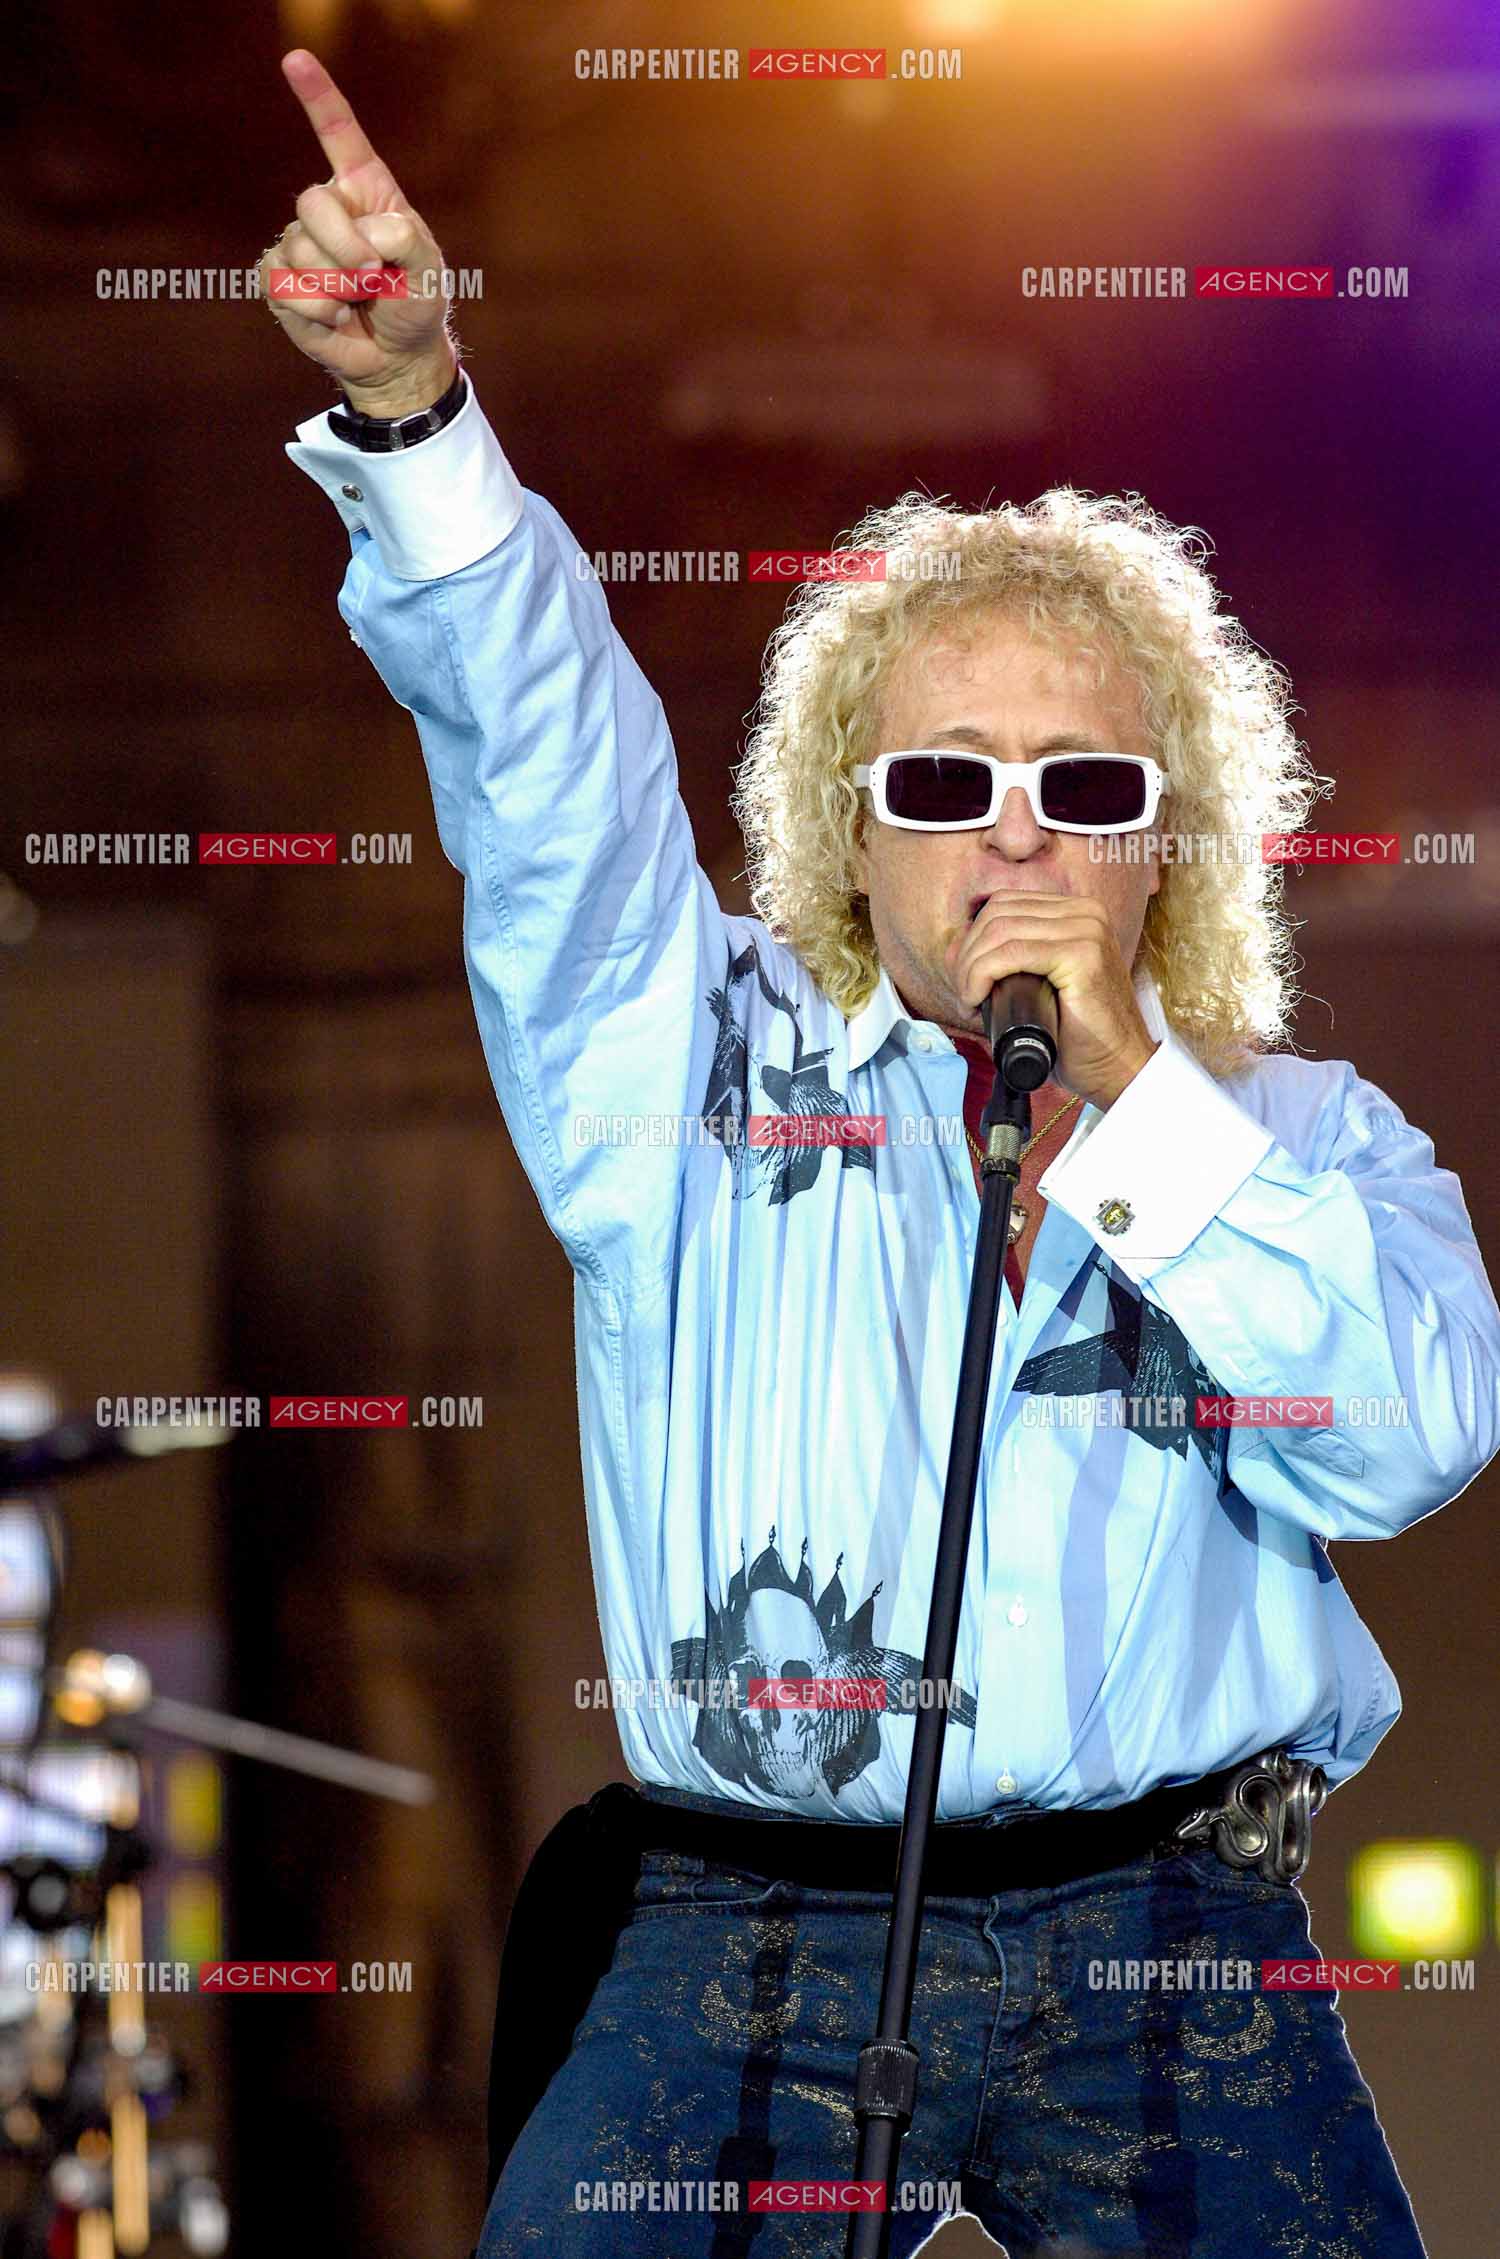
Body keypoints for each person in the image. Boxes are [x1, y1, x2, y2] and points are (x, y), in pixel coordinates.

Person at [263, 50, 1500, 2259]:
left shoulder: (1308, 1139)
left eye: (1084, 792)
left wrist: (1141, 1099)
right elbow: (548, 773)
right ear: (854, 823)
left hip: (1173, 1940)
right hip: (754, 1922)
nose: (1014, 833)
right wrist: (422, 426)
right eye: (946, 780)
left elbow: (1404, 1439)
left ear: (1167, 848)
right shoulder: (690, 1073)